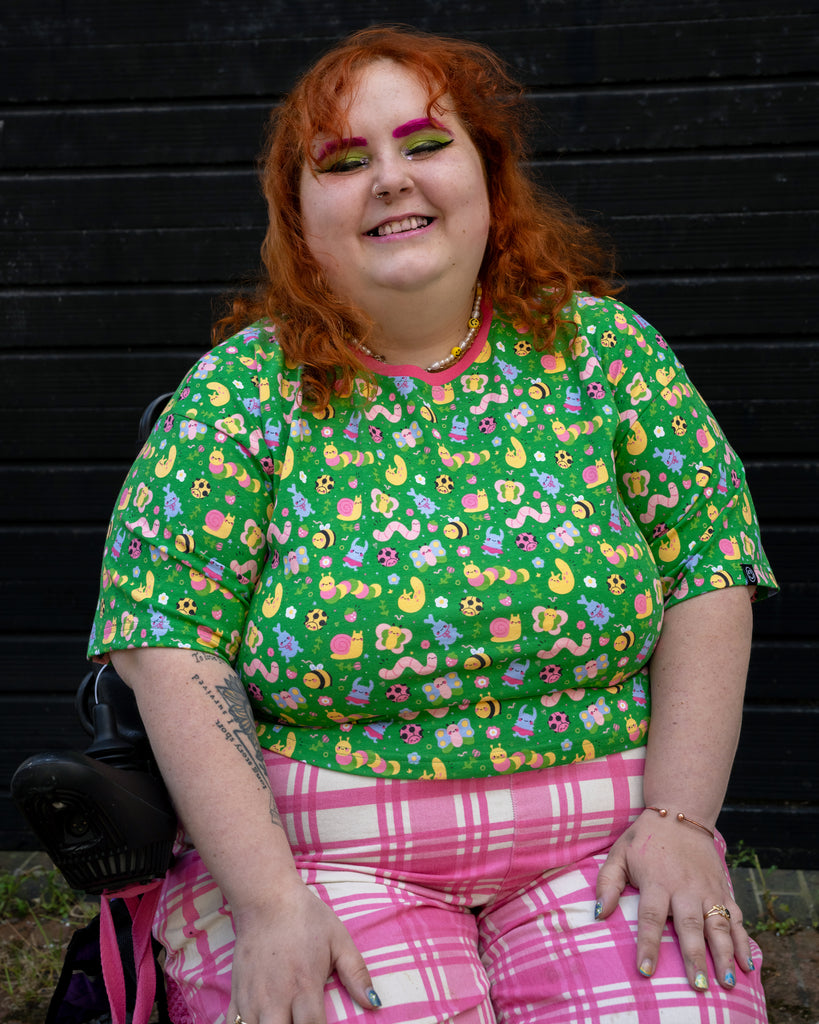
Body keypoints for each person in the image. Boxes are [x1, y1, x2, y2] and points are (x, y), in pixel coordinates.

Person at [88, 25, 778, 1024]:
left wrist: (679, 820)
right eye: (344, 161)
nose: (389, 180)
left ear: (488, 177)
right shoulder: (241, 394)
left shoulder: (605, 354)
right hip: (325, 855)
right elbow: (168, 642)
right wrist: (270, 902)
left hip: (606, 839)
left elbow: (709, 566)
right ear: (300, 218)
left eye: (423, 145)